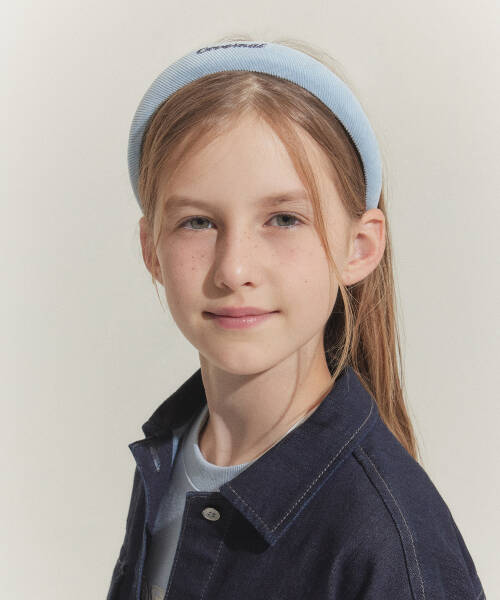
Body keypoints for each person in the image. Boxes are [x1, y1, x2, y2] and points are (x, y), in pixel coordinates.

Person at [106, 36, 486, 600]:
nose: (234, 269)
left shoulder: (390, 545)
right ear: (151, 249)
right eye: (197, 222)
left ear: (359, 247)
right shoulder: (172, 454)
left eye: (284, 219)